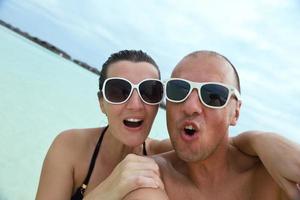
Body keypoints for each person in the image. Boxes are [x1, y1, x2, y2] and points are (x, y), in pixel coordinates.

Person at [36, 50, 299, 200]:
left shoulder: (158, 156)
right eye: (118, 91)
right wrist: (108, 190)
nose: (135, 104)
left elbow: (214, 146)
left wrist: (261, 140)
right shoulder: (71, 147)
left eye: (150, 92)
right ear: (101, 103)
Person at [124, 50, 300, 200]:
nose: (190, 107)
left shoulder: (273, 179)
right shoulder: (148, 178)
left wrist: (260, 139)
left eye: (213, 95)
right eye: (178, 90)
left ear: (236, 112)